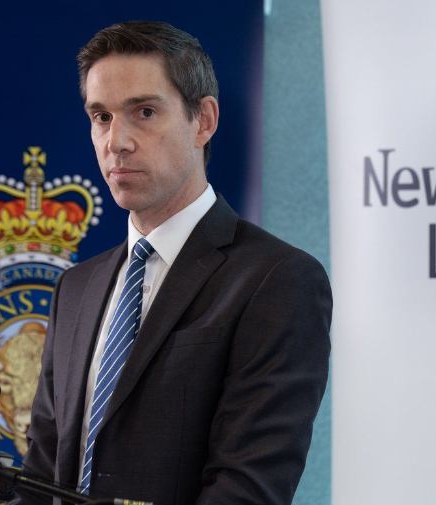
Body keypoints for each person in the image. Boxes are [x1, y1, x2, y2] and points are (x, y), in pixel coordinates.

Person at [17, 21, 332, 505]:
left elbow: (247, 488)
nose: (115, 142)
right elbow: (40, 476)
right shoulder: (76, 288)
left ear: (203, 121)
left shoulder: (276, 279)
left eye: (143, 112)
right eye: (101, 117)